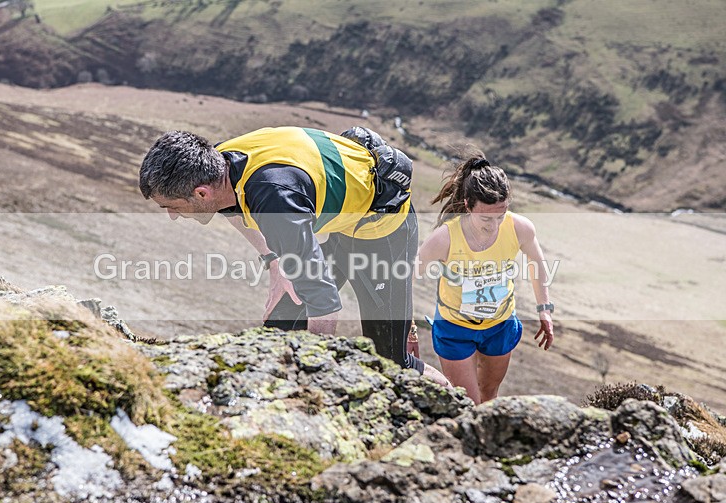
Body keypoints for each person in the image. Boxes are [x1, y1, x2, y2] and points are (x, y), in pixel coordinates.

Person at [139, 126, 450, 385]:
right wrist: (274, 263)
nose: (172, 216)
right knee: (279, 331)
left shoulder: (275, 198)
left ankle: (458, 408)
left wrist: (313, 375)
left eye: (172, 206)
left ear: (200, 193)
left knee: (392, 362)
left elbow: (324, 303)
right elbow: (229, 207)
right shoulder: (217, 165)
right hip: (344, 224)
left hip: (384, 233)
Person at [410, 154, 554, 403]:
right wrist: (409, 330)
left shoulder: (520, 228)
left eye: (501, 215)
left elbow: (537, 263)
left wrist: (545, 309)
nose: (495, 225)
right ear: (467, 206)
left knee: (489, 396)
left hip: (500, 326)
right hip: (455, 329)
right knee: (469, 403)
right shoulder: (444, 238)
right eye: (486, 218)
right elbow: (405, 280)